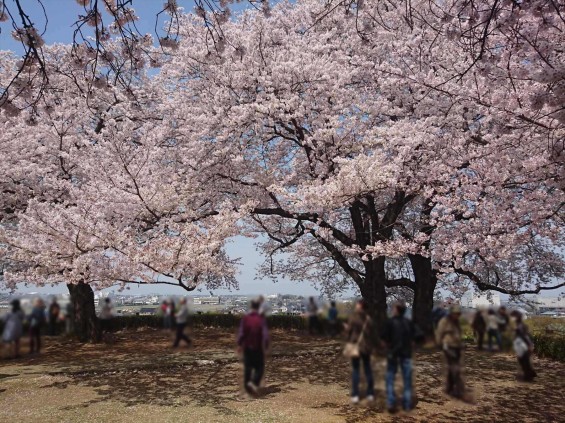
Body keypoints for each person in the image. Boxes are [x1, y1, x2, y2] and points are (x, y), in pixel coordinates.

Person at [381, 302, 417, 413]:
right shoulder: (409, 323)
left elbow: (384, 340)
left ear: (397, 310)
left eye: (393, 308)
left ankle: (391, 402)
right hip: (406, 354)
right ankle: (406, 404)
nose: (392, 310)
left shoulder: (390, 323)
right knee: (407, 380)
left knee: (390, 378)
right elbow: (415, 339)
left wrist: (387, 348)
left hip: (393, 355)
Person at [237, 300, 270, 395]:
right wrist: (266, 345)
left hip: (247, 346)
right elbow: (265, 334)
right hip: (258, 347)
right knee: (260, 367)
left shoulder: (246, 319)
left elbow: (242, 333)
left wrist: (239, 344)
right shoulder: (261, 319)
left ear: (251, 307)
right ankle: (254, 382)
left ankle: (247, 387)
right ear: (258, 308)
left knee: (248, 367)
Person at [345, 299, 374, 404]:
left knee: (356, 371)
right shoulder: (369, 319)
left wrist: (347, 329)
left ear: (361, 306)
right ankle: (370, 394)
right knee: (368, 370)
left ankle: (355, 395)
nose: (356, 306)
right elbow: (371, 335)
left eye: (357, 304)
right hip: (366, 348)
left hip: (356, 347)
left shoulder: (353, 318)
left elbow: (348, 332)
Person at [436, 304, 465, 398]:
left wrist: (462, 344)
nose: (457, 315)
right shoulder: (444, 321)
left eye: (458, 314)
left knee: (453, 368)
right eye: (455, 313)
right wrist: (440, 344)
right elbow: (439, 333)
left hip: (457, 347)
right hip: (448, 346)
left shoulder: (456, 322)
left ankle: (450, 388)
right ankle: (456, 390)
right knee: (455, 368)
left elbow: (459, 333)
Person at [510, 310, 537, 382]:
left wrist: (529, 345)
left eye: (513, 317)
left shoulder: (520, 326)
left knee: (524, 361)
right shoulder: (519, 325)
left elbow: (525, 336)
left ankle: (529, 376)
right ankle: (530, 374)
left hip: (523, 346)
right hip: (521, 345)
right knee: (524, 361)